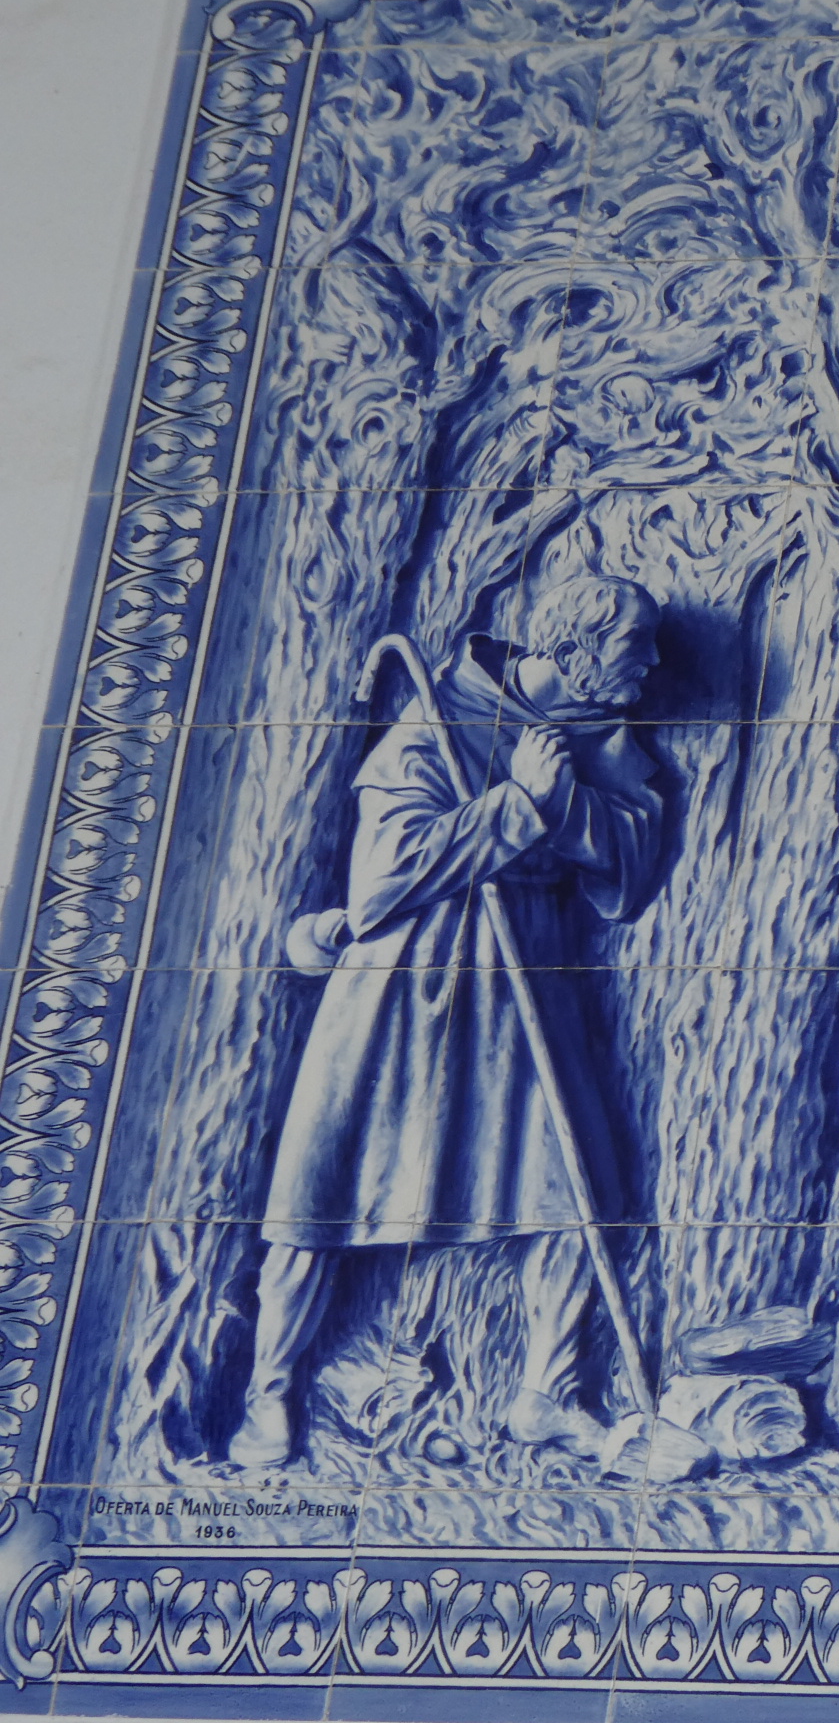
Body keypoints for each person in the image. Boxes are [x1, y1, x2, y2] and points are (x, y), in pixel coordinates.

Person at [230, 572, 665, 1469]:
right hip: (399, 989)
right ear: (575, 649)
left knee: (574, 1187)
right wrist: (515, 807)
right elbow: (381, 879)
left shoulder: (602, 739)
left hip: (522, 984)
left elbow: (627, 870)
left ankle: (549, 1392)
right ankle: (269, 1391)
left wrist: (561, 804)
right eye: (637, 645)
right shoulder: (434, 719)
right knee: (321, 1187)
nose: (654, 663)